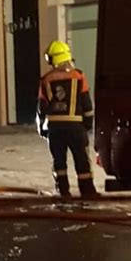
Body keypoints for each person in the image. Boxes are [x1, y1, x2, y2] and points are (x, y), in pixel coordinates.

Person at [37, 40, 97, 198]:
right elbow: (87, 104)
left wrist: (42, 129)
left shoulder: (46, 80)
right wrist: (88, 125)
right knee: (82, 161)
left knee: (59, 163)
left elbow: (41, 108)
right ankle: (88, 192)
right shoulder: (78, 76)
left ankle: (63, 192)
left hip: (55, 128)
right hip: (76, 127)